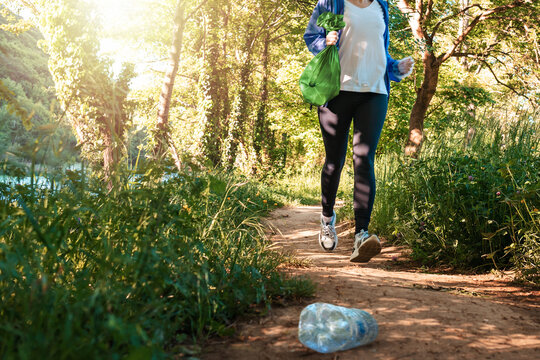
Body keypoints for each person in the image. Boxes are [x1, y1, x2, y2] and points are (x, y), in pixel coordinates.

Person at [304, 0, 414, 262]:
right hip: (336, 89)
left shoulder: (382, 6)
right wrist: (325, 42)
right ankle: (327, 220)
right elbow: (312, 37)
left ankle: (361, 235)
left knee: (364, 160)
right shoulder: (330, 3)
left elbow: (378, 51)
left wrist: (395, 67)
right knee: (335, 161)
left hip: (375, 91)